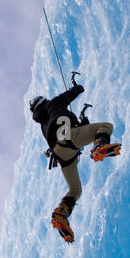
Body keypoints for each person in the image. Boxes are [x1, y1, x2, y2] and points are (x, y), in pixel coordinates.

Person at [29, 81, 121, 244]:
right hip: (68, 139)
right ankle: (99, 146)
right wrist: (78, 88)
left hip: (60, 154)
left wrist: (81, 125)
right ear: (44, 101)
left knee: (75, 189)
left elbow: (62, 129)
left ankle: (61, 214)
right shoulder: (53, 104)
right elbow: (69, 95)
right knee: (106, 126)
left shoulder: (43, 125)